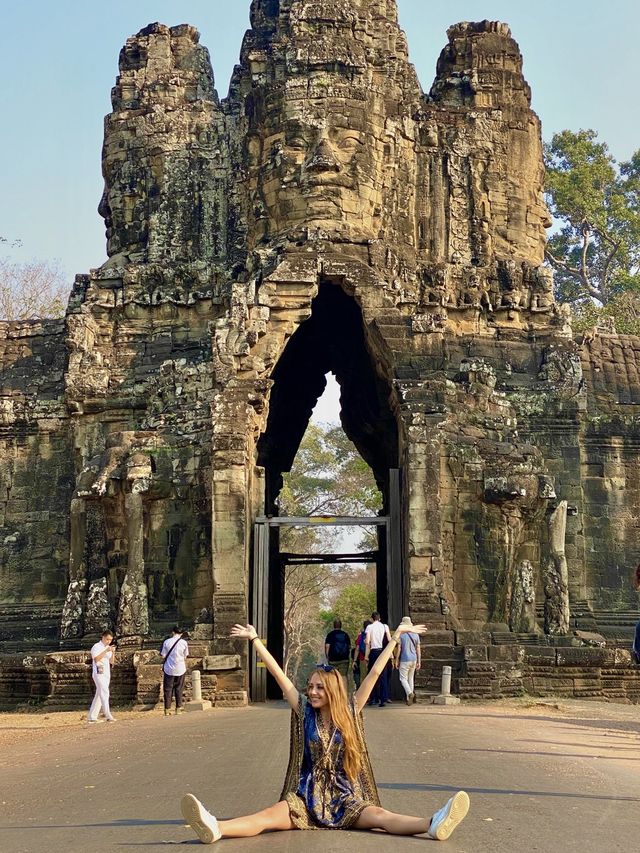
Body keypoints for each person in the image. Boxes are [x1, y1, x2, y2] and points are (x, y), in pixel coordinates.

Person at [180, 621, 469, 844]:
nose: (312, 691)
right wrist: (255, 639)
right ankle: (215, 827)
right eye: (310, 686)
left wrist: (395, 637)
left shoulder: (352, 711)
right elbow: (280, 676)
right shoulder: (305, 711)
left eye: (319, 687)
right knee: (267, 816)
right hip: (306, 797)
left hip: (346, 798)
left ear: (331, 690)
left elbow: (375, 674)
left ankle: (432, 823)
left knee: (381, 816)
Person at [87, 630, 116, 723]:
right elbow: (96, 659)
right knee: (104, 692)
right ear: (103, 637)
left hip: (106, 673)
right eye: (107, 639)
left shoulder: (108, 647)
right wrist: (106, 650)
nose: (109, 641)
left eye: (110, 640)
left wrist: (113, 652)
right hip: (98, 673)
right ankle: (108, 715)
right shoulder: (96, 646)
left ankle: (92, 716)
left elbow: (112, 662)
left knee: (99, 695)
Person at [364, 611, 391, 707]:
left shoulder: (369, 627)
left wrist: (366, 656)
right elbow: (389, 640)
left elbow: (367, 641)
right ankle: (383, 699)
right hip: (382, 652)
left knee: (372, 675)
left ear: (372, 619)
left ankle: (373, 698)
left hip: (374, 652)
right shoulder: (385, 627)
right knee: (383, 675)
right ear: (379, 618)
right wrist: (391, 654)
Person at [161, 626, 190, 716]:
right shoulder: (184, 643)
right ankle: (178, 708)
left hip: (169, 668)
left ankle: (167, 709)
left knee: (167, 689)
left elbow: (163, 655)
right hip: (180, 668)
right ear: (181, 634)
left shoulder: (166, 642)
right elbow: (185, 656)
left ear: (173, 632)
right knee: (179, 689)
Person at [394, 616, 421, 705]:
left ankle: (409, 693)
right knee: (410, 678)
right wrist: (419, 661)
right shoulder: (416, 635)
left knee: (403, 679)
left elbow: (399, 649)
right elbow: (418, 649)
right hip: (414, 659)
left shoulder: (401, 635)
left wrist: (396, 660)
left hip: (405, 659)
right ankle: (409, 698)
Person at [352, 620, 370, 689]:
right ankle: (372, 695)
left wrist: (355, 660)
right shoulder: (372, 634)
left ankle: (364, 695)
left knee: (363, 677)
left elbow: (357, 649)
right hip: (372, 658)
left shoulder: (361, 636)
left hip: (362, 659)